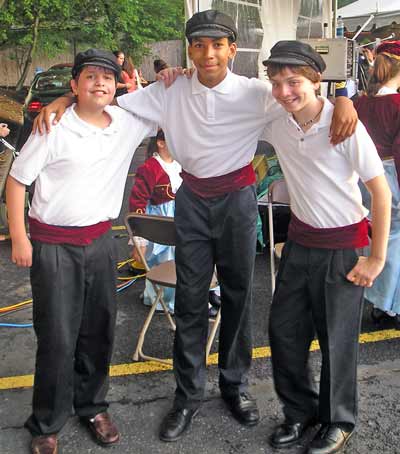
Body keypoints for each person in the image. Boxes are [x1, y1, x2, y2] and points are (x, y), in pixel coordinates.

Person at [33, 10, 357, 443]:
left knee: (240, 295)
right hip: (192, 199)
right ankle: (187, 396)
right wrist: (64, 101)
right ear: (189, 49)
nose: (208, 54)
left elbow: (308, 98)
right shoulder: (169, 90)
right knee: (189, 297)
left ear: (232, 49)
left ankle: (234, 387)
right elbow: (105, 101)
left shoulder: (257, 92)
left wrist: (347, 98)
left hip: (238, 201)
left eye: (217, 44)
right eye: (199, 45)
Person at [6, 49, 156, 454]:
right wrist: (20, 238)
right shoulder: (52, 127)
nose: (100, 83)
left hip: (101, 243)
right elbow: (17, 182)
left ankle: (92, 406)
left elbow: (166, 107)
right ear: (75, 86)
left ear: (117, 84)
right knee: (56, 334)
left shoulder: (126, 122)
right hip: (54, 244)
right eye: (90, 77)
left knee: (98, 330)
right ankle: (47, 421)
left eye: (107, 77)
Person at [262, 41, 391, 454]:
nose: (285, 91)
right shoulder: (276, 122)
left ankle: (338, 420)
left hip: (343, 247)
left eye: (294, 81)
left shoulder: (344, 124)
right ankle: (299, 412)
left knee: (336, 339)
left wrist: (376, 256)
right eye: (277, 82)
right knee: (284, 332)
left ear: (316, 80)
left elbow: (381, 192)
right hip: (300, 242)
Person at [354, 40, 400, 329]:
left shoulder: (360, 101)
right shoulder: (397, 103)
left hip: (364, 176)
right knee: (394, 241)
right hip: (392, 175)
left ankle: (380, 302)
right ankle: (388, 304)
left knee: (377, 236)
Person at [129, 129, 182, 313]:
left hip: (179, 216)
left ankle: (166, 297)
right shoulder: (150, 168)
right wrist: (139, 239)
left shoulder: (178, 164)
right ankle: (163, 301)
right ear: (161, 143)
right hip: (159, 219)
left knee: (178, 258)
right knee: (163, 260)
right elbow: (138, 201)